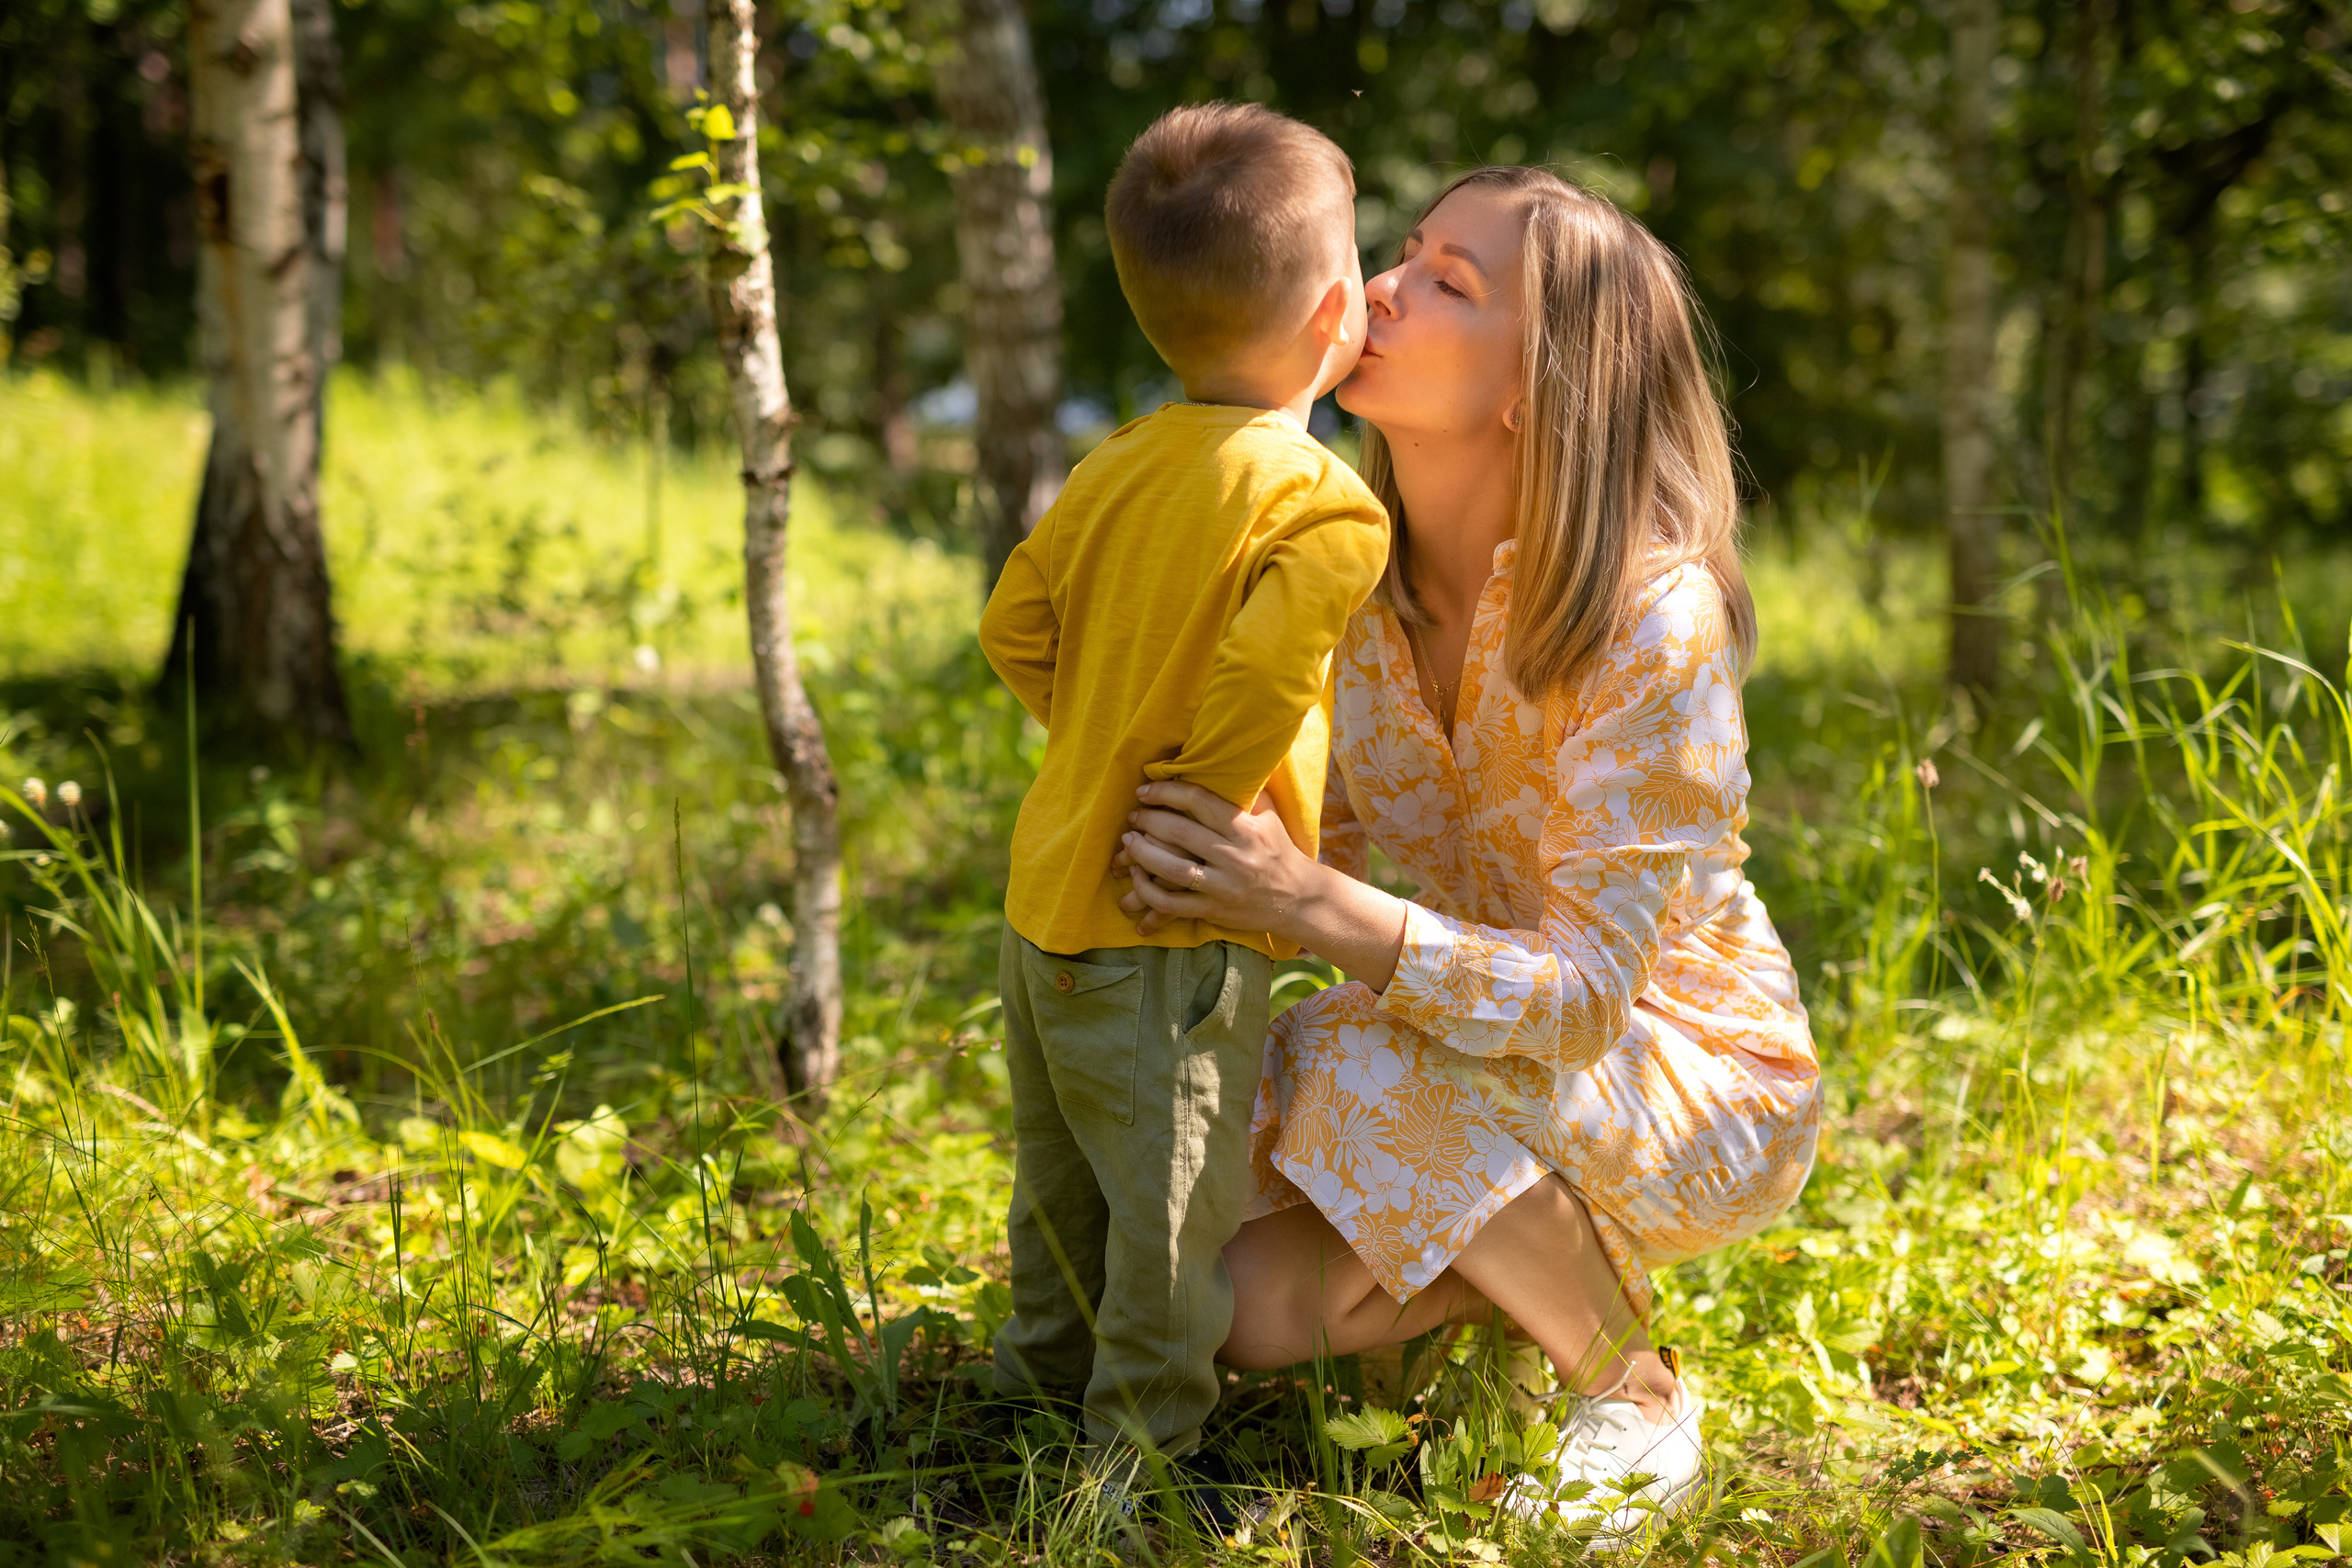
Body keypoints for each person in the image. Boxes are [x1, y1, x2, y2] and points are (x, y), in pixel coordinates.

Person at [1114, 165, 1820, 1541]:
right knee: (1239, 1302)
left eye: (1452, 281)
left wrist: (1315, 909)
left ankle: (1632, 1388)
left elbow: (1575, 1001)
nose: (1382, 286)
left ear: (1538, 388)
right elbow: (1293, 829)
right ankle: (1510, 1266)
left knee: (1343, 1058)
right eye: (1405, 253)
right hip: (1457, 1035)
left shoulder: (1647, 616)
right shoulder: (1340, 579)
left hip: (1686, 1066)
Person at [976, 103, 1390, 1466]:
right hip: (1166, 921)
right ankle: (1137, 1459)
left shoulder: (1117, 463)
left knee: (1060, 1190)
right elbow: (1271, 678)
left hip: (1045, 894)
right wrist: (1197, 807)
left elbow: (1013, 627)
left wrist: (1099, 732)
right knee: (1167, 1203)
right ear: (1336, 312)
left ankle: (1030, 1394)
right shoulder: (1324, 505)